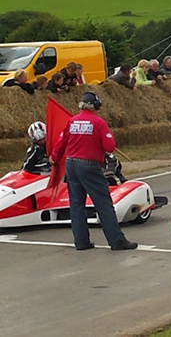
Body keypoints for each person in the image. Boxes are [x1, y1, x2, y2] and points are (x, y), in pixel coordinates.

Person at [50, 92, 137, 251]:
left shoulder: (72, 121)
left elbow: (61, 143)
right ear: (96, 106)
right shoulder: (99, 123)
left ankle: (81, 241)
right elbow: (110, 147)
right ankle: (116, 240)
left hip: (71, 164)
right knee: (103, 204)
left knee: (76, 205)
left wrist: (54, 158)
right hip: (89, 165)